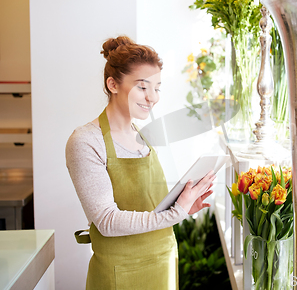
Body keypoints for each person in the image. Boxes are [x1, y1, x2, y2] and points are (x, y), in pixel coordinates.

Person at [65, 36, 215, 289]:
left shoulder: (144, 136)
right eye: (142, 87)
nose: (153, 98)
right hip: (119, 272)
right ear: (113, 84)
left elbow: (149, 205)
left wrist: (180, 208)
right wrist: (174, 215)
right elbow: (107, 221)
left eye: (157, 88)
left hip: (162, 262)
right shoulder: (86, 141)